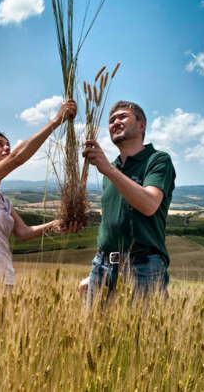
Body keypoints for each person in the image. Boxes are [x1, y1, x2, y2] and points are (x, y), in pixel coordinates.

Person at [0, 100, 82, 305]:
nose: (7, 147)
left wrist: (59, 223)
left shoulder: (2, 200)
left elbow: (24, 233)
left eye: (8, 144)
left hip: (4, 278)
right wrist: (56, 121)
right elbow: (16, 158)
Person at [78, 100, 176, 304]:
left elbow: (149, 205)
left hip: (144, 267)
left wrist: (109, 170)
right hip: (103, 267)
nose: (115, 122)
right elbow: (114, 220)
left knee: (142, 335)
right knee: (92, 334)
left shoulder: (157, 160)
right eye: (111, 120)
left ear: (142, 126)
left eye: (122, 116)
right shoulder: (110, 169)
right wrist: (98, 270)